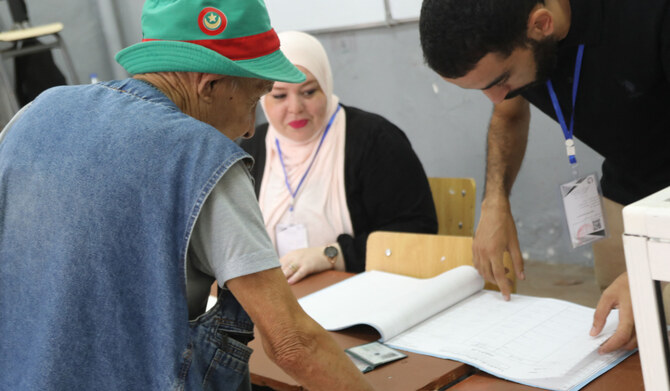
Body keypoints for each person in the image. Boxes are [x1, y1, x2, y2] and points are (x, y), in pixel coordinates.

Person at [0, 1, 373, 390]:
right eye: (252, 102)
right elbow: (292, 344)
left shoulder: (35, 114)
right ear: (209, 85)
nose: (250, 129)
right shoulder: (202, 157)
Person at [419, 0, 670, 353]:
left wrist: (651, 268)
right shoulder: (514, 37)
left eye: (501, 80)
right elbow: (508, 116)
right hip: (624, 199)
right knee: (626, 347)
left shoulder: (650, 15)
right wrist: (495, 200)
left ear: (541, 24)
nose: (496, 97)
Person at [240, 31, 437, 284]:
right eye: (279, 95)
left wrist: (332, 255)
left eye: (309, 92)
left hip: (364, 288)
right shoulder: (251, 148)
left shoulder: (374, 139)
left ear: (326, 84)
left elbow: (417, 230)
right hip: (281, 295)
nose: (295, 107)